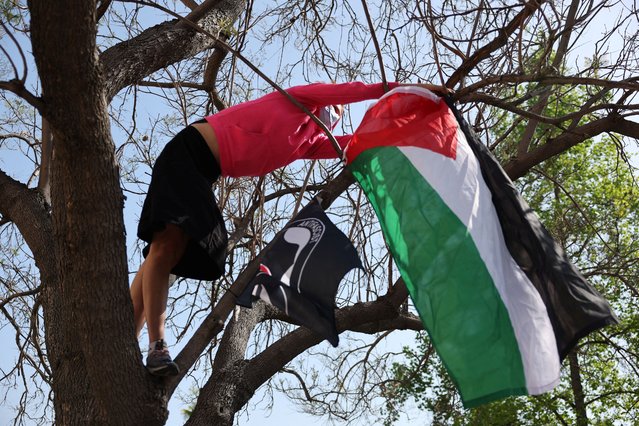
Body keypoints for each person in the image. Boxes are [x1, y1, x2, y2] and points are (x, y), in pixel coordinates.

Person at [130, 81, 451, 376]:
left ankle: (126, 337)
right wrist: (406, 92)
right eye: (333, 107)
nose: (336, 111)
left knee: (190, 248)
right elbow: (357, 90)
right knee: (169, 246)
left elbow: (356, 144)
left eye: (338, 113)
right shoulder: (297, 99)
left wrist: (408, 128)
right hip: (189, 151)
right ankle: (157, 346)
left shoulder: (307, 145)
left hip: (205, 172)